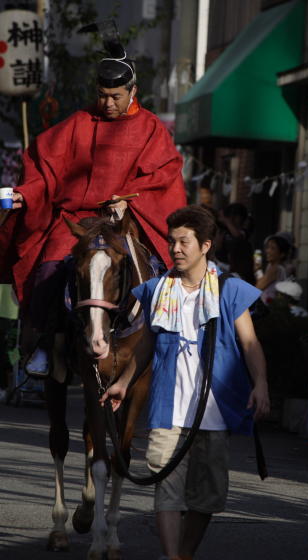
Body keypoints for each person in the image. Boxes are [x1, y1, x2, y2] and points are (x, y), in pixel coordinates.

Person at [0, 34, 186, 376]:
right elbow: (46, 168)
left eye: (115, 96)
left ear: (133, 91)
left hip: (125, 218)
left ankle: (165, 342)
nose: (108, 103)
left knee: (160, 270)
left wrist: (129, 199)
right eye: (102, 96)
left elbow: (165, 173)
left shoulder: (151, 129)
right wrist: (26, 193)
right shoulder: (78, 122)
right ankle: (43, 343)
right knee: (48, 268)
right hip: (75, 218)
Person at [100, 204, 270, 560]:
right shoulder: (157, 289)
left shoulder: (230, 289)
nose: (175, 249)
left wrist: (261, 385)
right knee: (167, 489)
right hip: (169, 409)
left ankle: (183, 554)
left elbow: (250, 343)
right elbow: (147, 342)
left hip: (215, 411)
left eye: (183, 242)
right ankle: (172, 556)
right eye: (171, 241)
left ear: (205, 245)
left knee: (207, 496)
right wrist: (124, 383)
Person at [215, 203, 255, 283]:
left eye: (235, 216)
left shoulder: (245, 230)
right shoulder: (225, 231)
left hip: (242, 272)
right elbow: (218, 247)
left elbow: (237, 236)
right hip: (226, 267)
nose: (232, 219)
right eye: (230, 216)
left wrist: (227, 220)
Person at [255, 233, 291, 305]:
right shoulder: (272, 266)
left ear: (281, 254)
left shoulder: (275, 268)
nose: (267, 251)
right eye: (268, 247)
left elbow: (258, 287)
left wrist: (257, 268)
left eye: (272, 248)